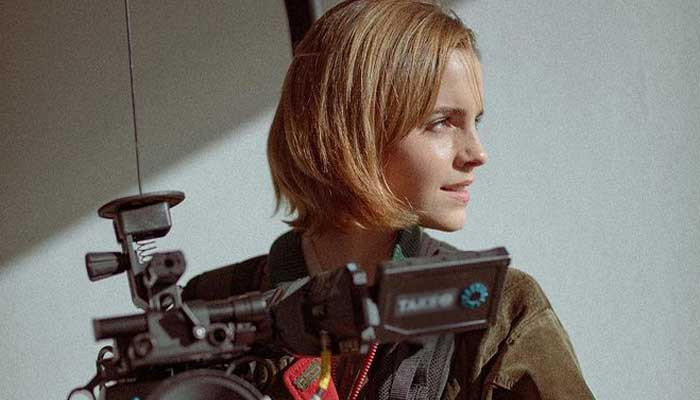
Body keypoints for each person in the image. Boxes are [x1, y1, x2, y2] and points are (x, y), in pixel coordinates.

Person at [183, 1, 595, 399]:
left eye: (475, 121)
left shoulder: (499, 309)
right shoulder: (208, 310)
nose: (477, 153)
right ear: (351, 131)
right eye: (442, 122)